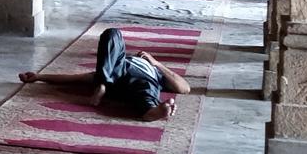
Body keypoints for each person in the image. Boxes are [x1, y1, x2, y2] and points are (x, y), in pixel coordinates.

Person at [18, 27, 191, 121]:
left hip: (143, 82)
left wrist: (155, 63)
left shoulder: (157, 74)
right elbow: (75, 79)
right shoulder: (113, 64)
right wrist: (39, 77)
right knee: (112, 33)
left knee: (145, 91)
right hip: (116, 73)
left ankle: (154, 111)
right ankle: (103, 84)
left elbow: (184, 88)